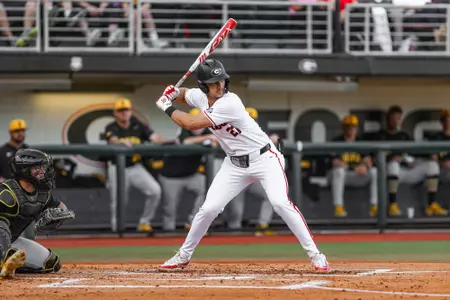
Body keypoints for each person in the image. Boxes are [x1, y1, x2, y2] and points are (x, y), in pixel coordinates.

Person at [155, 59, 330, 272]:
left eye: (222, 81)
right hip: (234, 164)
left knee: (280, 202)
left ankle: (316, 255)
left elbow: (190, 124)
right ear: (204, 86)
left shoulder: (231, 102)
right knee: (209, 208)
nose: (220, 86)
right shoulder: (201, 97)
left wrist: (166, 105)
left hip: (264, 159)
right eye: (214, 82)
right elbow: (185, 93)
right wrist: (173, 92)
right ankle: (183, 256)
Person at [0, 148, 74, 278]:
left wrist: (59, 215)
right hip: (2, 242)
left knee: (51, 263)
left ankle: (9, 263)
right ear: (25, 170)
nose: (43, 172)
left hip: (10, 242)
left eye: (43, 168)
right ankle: (4, 259)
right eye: (38, 168)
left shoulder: (42, 194)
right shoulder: (6, 191)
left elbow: (63, 208)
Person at [104, 98, 166, 233]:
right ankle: (117, 229)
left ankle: (144, 222)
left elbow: (154, 137)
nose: (124, 113)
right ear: (115, 113)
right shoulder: (111, 127)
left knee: (155, 191)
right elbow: (112, 140)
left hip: (135, 166)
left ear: (130, 111)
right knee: (118, 201)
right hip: (117, 168)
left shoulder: (138, 125)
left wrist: (163, 141)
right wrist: (121, 142)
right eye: (121, 111)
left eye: (126, 110)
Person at [375, 105, 442, 216]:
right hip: (392, 172)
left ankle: (432, 204)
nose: (396, 121)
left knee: (432, 165)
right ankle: (392, 204)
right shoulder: (381, 136)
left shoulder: (404, 136)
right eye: (393, 118)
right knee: (393, 165)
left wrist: (430, 155)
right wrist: (393, 158)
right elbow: (375, 155)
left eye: (398, 118)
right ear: (388, 119)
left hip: (409, 170)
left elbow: (416, 151)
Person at [221, 107, 277, 235]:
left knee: (270, 194)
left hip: (253, 175)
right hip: (237, 175)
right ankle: (233, 233)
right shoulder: (232, 131)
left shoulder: (259, 132)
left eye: (253, 119)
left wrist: (273, 140)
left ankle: (262, 226)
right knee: (236, 210)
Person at [159, 108, 213, 232]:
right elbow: (185, 142)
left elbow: (216, 141)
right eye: (194, 120)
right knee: (170, 209)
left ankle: (192, 222)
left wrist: (212, 139)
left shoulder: (207, 130)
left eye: (200, 120)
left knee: (209, 189)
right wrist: (207, 138)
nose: (197, 124)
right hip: (171, 176)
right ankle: (168, 233)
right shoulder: (184, 129)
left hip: (191, 175)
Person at [330, 115, 378, 217]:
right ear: (344, 128)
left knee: (374, 172)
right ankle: (338, 206)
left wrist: (365, 166)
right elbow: (336, 163)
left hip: (357, 175)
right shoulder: (337, 141)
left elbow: (368, 162)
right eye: (348, 127)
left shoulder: (361, 141)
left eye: (353, 127)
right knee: (339, 171)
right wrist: (354, 167)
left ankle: (374, 206)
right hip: (341, 176)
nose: (351, 129)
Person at [425, 109, 450, 216]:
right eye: (446, 119)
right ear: (441, 121)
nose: (448, 122)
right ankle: (432, 205)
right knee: (432, 165)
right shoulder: (435, 137)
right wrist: (442, 163)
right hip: (439, 170)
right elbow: (432, 157)